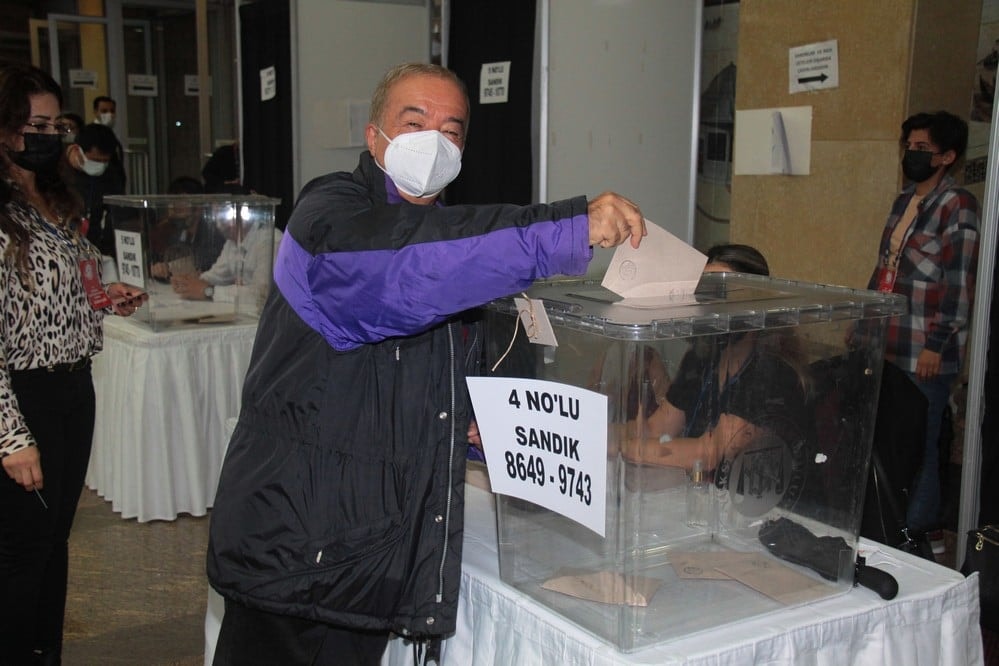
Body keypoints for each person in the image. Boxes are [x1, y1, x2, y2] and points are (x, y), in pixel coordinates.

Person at [206, 62, 645, 665]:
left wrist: (472, 417)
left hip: (365, 544)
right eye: (414, 122)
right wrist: (563, 230)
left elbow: (421, 356)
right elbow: (402, 274)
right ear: (373, 136)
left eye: (452, 131)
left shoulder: (458, 239)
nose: (434, 141)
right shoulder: (330, 212)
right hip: (299, 542)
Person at [0, 63, 147, 666]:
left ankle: (43, 654)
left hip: (72, 389)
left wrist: (104, 298)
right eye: (33, 125)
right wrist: (11, 437)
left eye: (55, 124)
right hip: (21, 397)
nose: (48, 136)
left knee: (55, 540)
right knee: (21, 549)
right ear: (5, 132)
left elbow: (74, 282)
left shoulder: (59, 198)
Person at [865, 110, 980, 538]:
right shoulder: (903, 200)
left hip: (926, 351)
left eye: (922, 149)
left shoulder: (958, 205)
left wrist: (937, 342)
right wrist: (864, 321)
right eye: (908, 147)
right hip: (890, 340)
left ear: (946, 156)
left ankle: (918, 534)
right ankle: (892, 526)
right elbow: (884, 269)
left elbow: (959, 284)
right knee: (893, 443)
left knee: (924, 446)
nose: (911, 155)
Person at [168, 201, 281, 313]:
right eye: (216, 216)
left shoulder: (270, 241)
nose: (218, 225)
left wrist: (208, 291)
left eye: (222, 216)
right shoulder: (232, 242)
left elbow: (261, 296)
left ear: (242, 213)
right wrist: (188, 283)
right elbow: (216, 275)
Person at [149, 176, 225, 279]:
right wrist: (159, 268)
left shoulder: (213, 235)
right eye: (171, 202)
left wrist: (170, 268)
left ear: (199, 207)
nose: (174, 207)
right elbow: (164, 259)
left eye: (181, 201)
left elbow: (205, 264)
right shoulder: (175, 235)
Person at [65, 122, 124, 257]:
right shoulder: (59, 171)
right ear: (77, 149)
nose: (99, 166)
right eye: (95, 160)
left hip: (94, 245)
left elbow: (115, 210)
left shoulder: (111, 175)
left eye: (104, 161)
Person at [90, 96, 126, 193]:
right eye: (104, 111)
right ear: (96, 112)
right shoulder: (90, 133)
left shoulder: (111, 134)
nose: (109, 115)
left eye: (112, 111)